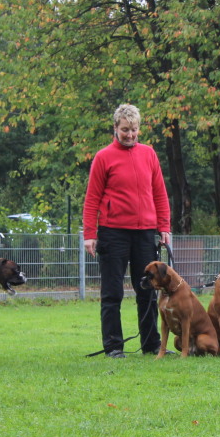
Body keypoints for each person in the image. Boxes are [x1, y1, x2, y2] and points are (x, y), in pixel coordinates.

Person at [83, 104, 171, 358]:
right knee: (112, 292)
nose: (130, 135)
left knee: (148, 290)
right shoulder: (103, 157)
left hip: (145, 233)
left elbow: (159, 193)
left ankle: (151, 344)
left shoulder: (149, 154)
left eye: (133, 130)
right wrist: (90, 234)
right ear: (115, 128)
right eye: (125, 130)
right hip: (113, 232)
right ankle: (113, 346)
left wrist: (164, 226)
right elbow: (92, 199)